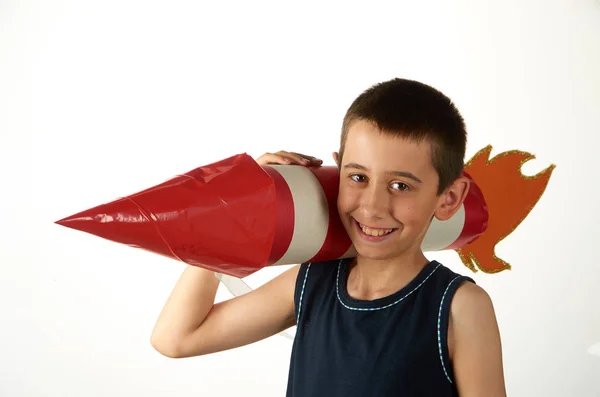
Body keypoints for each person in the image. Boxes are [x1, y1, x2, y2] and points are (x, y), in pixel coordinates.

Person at [150, 78, 507, 396]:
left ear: (448, 198)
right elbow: (176, 337)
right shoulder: (312, 282)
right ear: (338, 170)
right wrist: (235, 205)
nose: (372, 206)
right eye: (358, 177)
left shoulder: (459, 307)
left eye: (400, 185)